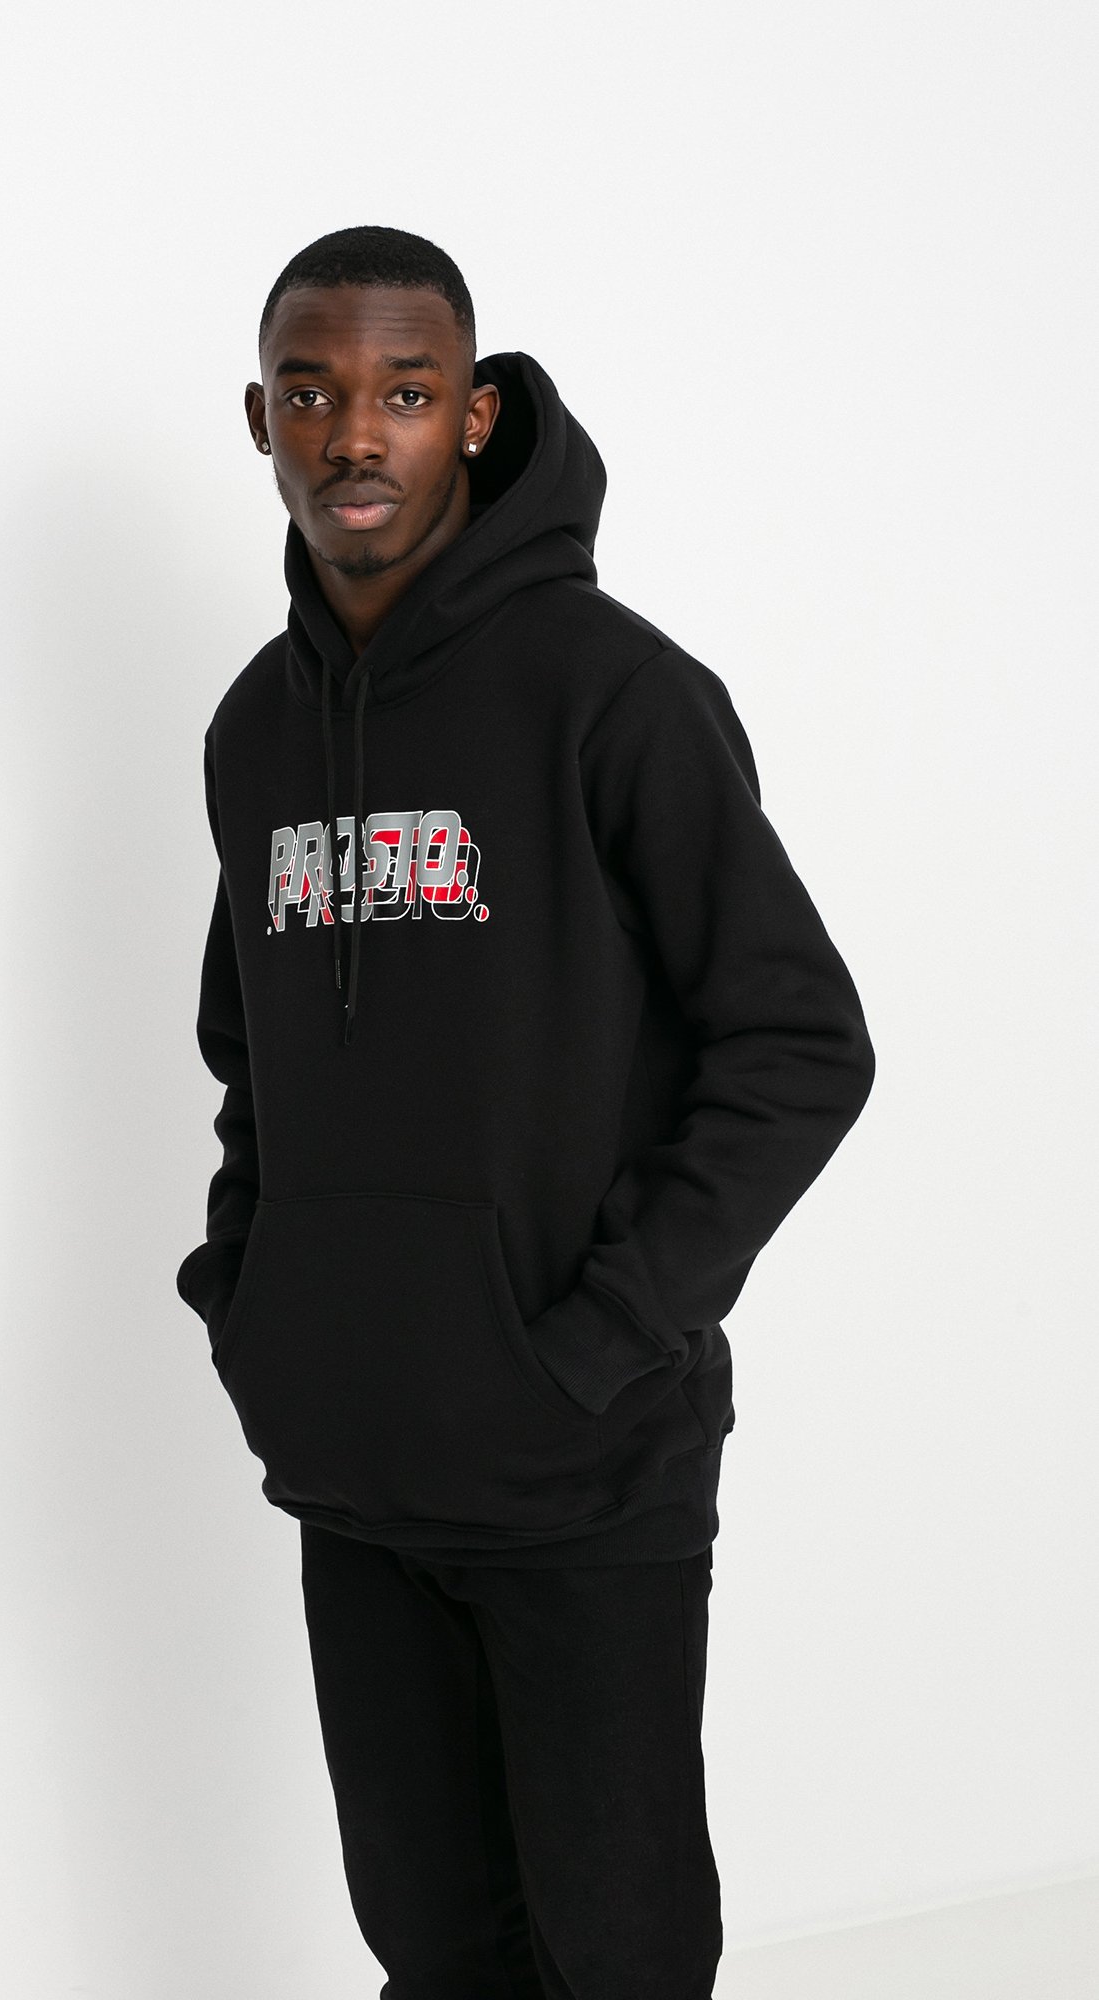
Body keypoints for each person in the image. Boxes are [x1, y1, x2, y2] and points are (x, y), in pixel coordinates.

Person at [176, 225, 873, 2000]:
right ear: (260, 418)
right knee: (431, 1950)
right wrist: (256, 1305)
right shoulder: (256, 732)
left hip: (589, 1475)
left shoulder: (614, 693)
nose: (356, 435)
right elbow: (250, 1057)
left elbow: (800, 1041)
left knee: (617, 1954)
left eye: (405, 394)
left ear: (474, 416)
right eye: (314, 395)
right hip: (358, 1465)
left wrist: (602, 1337)